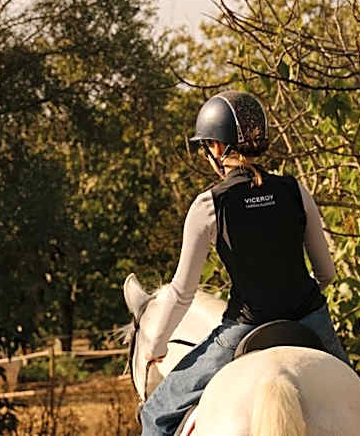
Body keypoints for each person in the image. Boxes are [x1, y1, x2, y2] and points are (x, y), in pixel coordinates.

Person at [139, 90, 349, 436]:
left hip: (246, 326)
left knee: (155, 415)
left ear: (217, 148)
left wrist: (155, 345)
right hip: (310, 318)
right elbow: (327, 273)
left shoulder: (209, 205)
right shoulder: (294, 190)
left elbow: (181, 292)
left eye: (206, 146)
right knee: (357, 400)